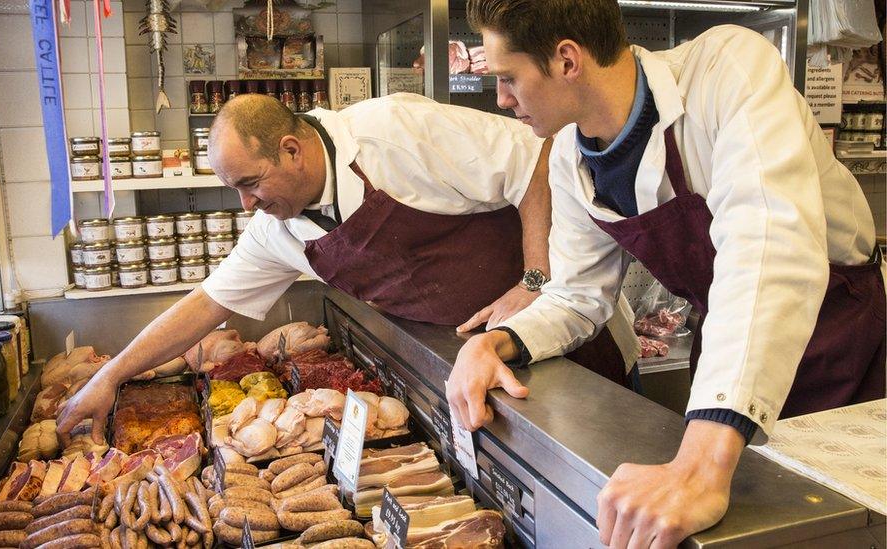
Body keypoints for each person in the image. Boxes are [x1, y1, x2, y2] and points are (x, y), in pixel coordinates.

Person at [448, 1, 886, 547]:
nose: (502, 99)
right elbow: (579, 294)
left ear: (566, 60)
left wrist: (702, 464)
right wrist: (499, 343)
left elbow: (768, 251)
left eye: (510, 77)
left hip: (835, 334)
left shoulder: (728, 68)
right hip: (727, 340)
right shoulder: (568, 155)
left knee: (827, 529)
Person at [57, 92, 639, 443]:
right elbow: (207, 305)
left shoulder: (394, 134)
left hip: (575, 348)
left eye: (252, 184)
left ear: (292, 148)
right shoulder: (278, 228)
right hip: (467, 365)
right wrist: (109, 377)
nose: (246, 205)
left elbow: (539, 157)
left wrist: (533, 279)